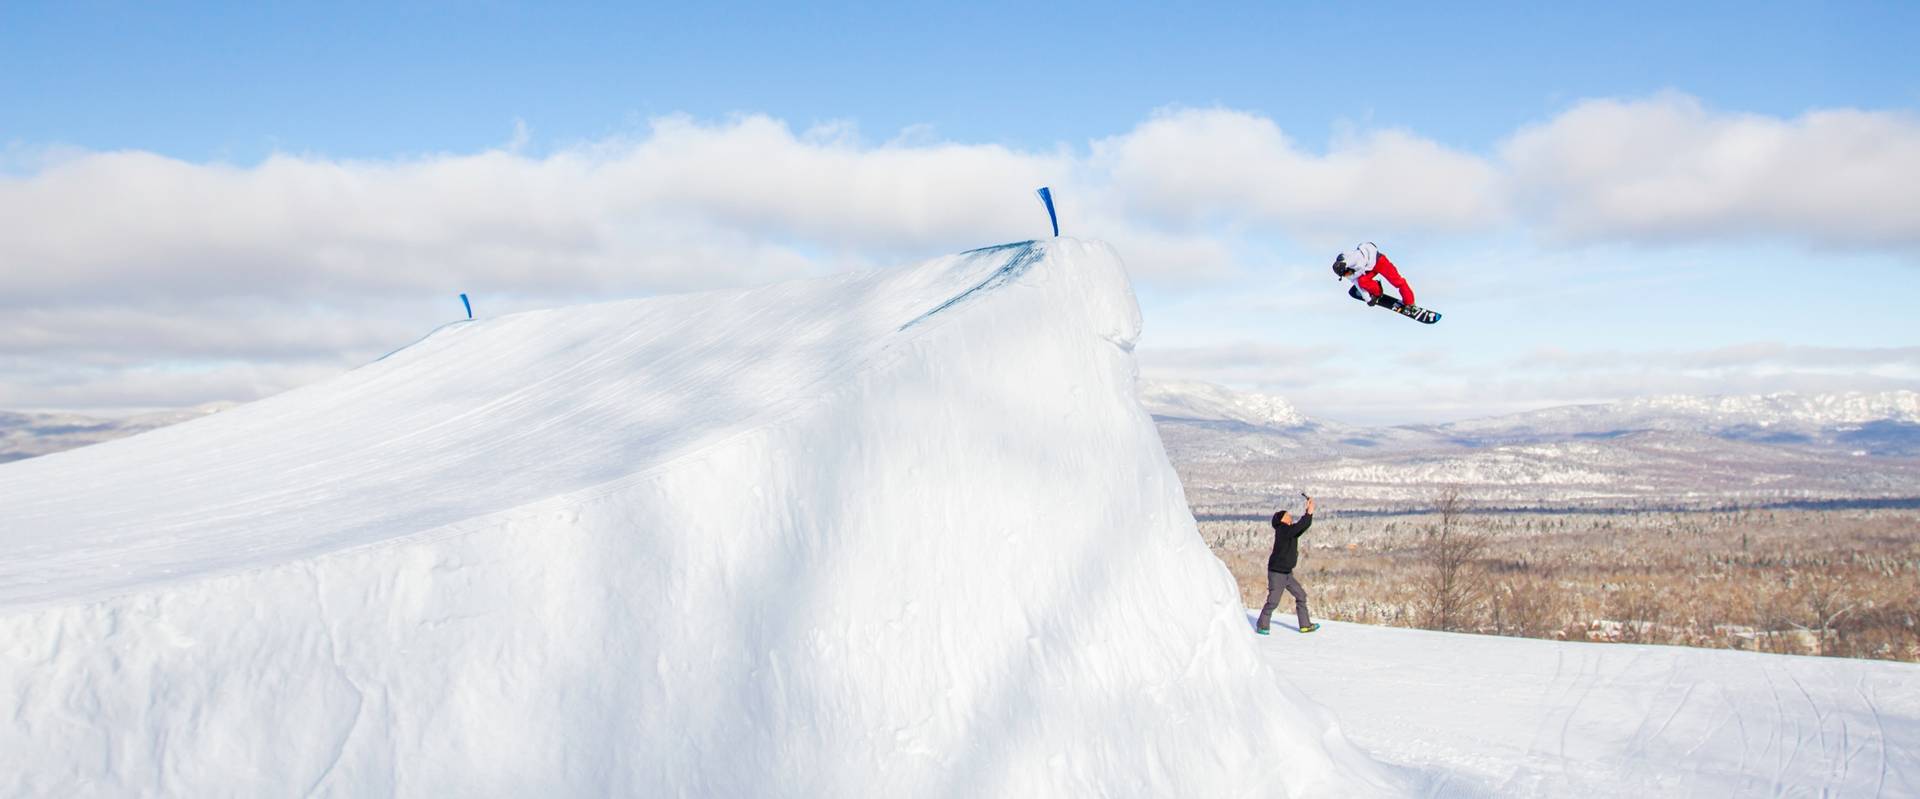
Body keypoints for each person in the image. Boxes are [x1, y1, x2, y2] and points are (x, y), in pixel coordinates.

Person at [1257, 495, 1319, 635]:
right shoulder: (1283, 530)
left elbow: (1301, 527)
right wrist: (1309, 512)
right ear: (1282, 520)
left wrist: (1308, 513)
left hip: (1287, 573)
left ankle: (1305, 625)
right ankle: (1262, 625)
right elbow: (1299, 527)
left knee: (1301, 595)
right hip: (1277, 574)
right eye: (1287, 515)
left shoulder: (1289, 531)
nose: (1290, 515)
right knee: (1273, 601)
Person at [1331, 242, 1416, 310]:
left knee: (1397, 282)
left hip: (1380, 262)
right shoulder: (1349, 274)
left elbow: (1353, 258)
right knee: (1362, 281)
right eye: (1345, 275)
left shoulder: (1354, 257)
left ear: (1347, 267)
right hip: (1368, 269)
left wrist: (1344, 263)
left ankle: (1409, 302)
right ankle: (1377, 292)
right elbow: (1357, 284)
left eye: (1346, 273)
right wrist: (1368, 299)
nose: (1348, 275)